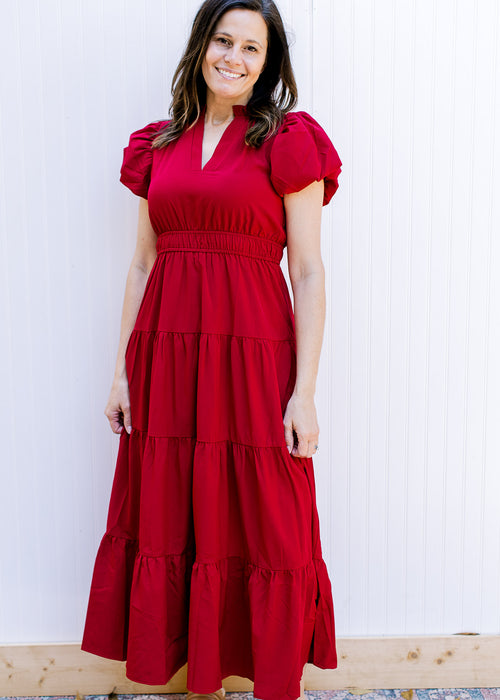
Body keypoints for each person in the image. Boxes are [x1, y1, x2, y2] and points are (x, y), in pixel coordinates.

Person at [80, 1, 342, 699]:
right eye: (223, 41)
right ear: (202, 47)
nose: (233, 57)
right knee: (177, 510)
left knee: (266, 519)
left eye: (251, 48)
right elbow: (142, 264)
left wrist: (304, 391)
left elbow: (309, 271)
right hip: (167, 359)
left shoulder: (288, 141)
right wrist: (120, 373)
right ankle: (203, 681)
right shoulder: (157, 145)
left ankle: (268, 676)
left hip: (255, 357)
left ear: (268, 63)